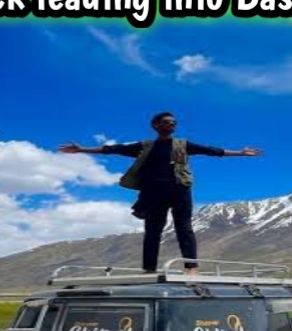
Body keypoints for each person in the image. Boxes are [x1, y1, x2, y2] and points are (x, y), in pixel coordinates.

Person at [59, 112, 262, 275]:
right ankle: (148, 269)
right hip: (153, 192)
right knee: (153, 230)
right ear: (156, 125)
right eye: (166, 122)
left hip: (180, 189)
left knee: (185, 228)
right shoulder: (145, 146)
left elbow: (210, 150)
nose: (171, 124)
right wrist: (83, 149)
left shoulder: (182, 145)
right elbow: (114, 149)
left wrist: (240, 153)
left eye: (173, 122)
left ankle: (191, 269)